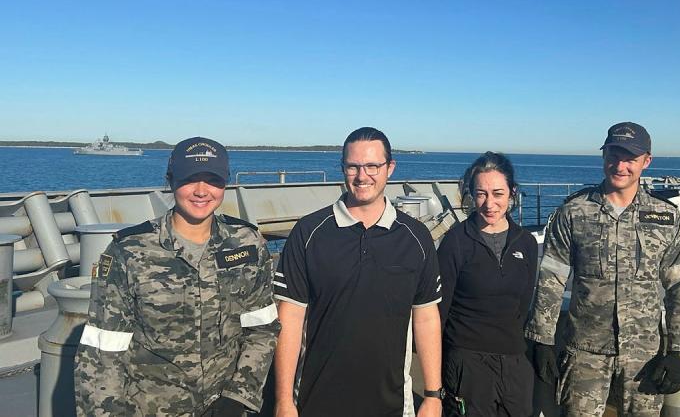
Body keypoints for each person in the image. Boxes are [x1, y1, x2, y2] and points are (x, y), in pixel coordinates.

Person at [74, 137, 280, 416]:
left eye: (212, 179)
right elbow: (102, 353)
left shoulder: (247, 243)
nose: (201, 191)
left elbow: (262, 329)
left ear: (225, 183)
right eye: (190, 178)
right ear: (170, 181)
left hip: (227, 406)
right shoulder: (129, 251)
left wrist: (239, 396)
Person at [526, 122, 680, 416]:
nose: (620, 166)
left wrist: (678, 352)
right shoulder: (574, 212)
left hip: (644, 355)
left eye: (630, 158)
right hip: (585, 352)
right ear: (604, 156)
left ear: (647, 161)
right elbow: (552, 278)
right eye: (613, 155)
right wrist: (542, 340)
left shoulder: (666, 218)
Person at [273, 127, 443, 417]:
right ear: (343, 168)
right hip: (316, 401)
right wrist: (284, 401)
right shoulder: (309, 232)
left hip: (391, 404)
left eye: (372, 166)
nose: (362, 176)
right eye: (353, 166)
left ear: (390, 168)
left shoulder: (415, 237)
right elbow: (289, 319)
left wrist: (432, 395)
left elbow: (426, 316)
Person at [437, 152, 538, 417]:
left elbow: (523, 303)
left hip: (514, 361)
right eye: (481, 194)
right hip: (467, 363)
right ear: (471, 195)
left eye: (497, 193)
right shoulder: (455, 242)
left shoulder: (525, 242)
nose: (489, 204)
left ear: (512, 192)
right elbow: (439, 312)